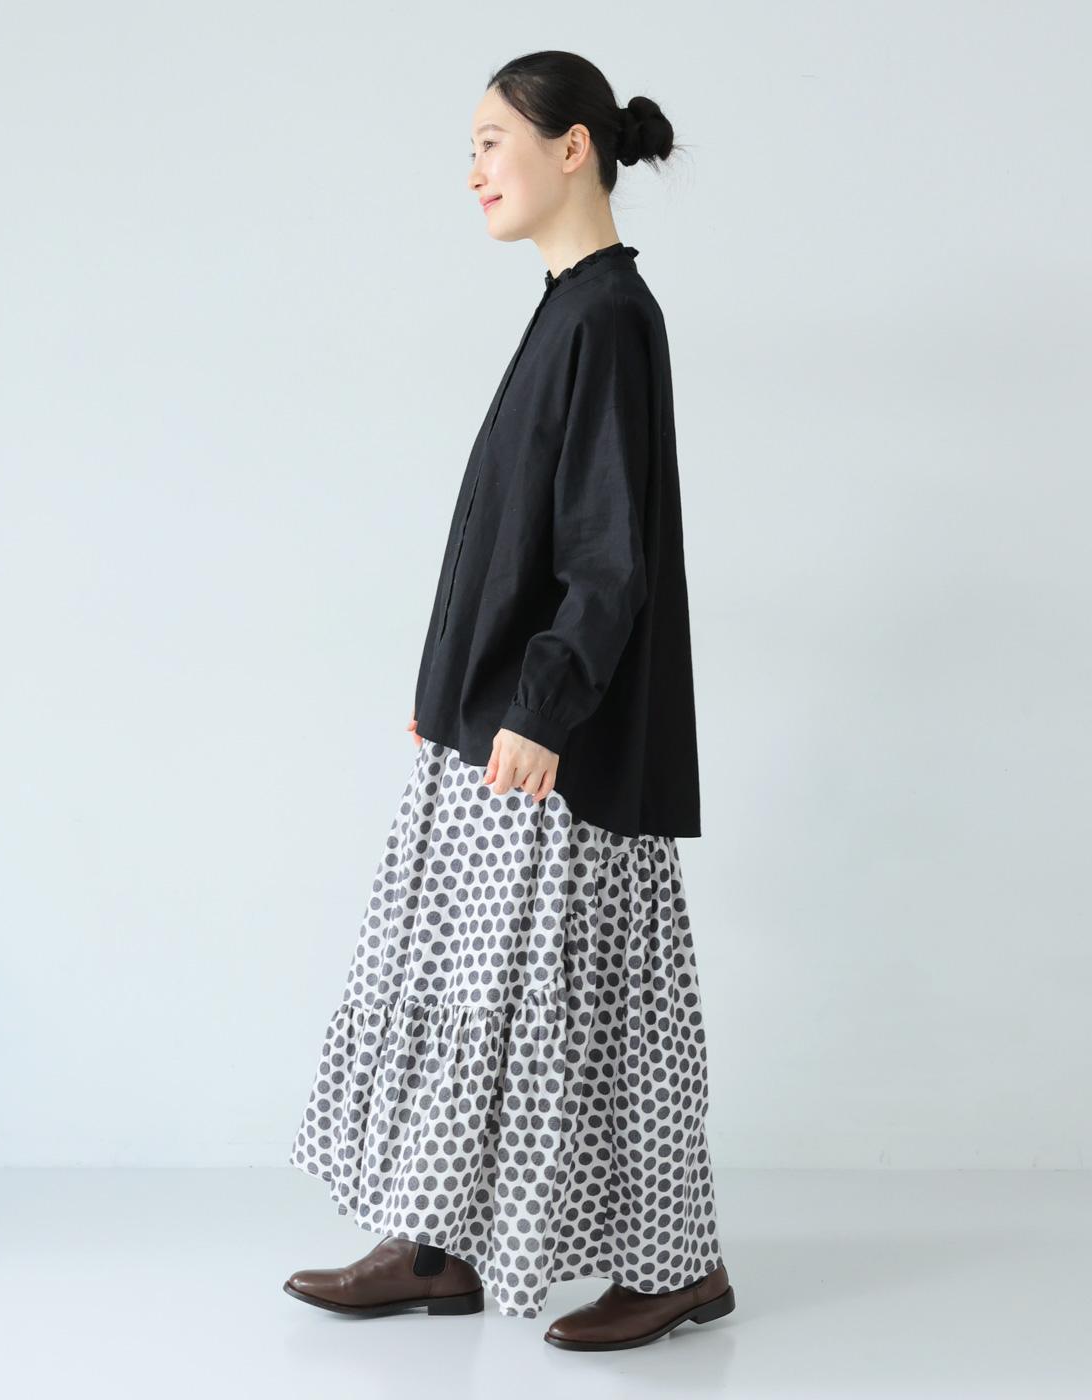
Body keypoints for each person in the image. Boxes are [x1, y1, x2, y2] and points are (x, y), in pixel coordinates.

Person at [283, 49, 735, 1352]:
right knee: (460, 983)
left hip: (555, 739)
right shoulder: (566, 309)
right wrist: (449, 691)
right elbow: (507, 533)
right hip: (497, 725)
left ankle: (679, 1266)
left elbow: (607, 553)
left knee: (580, 1007)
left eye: (493, 140)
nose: (474, 168)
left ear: (571, 146)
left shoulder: (608, 318)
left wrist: (541, 704)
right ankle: (436, 1245)